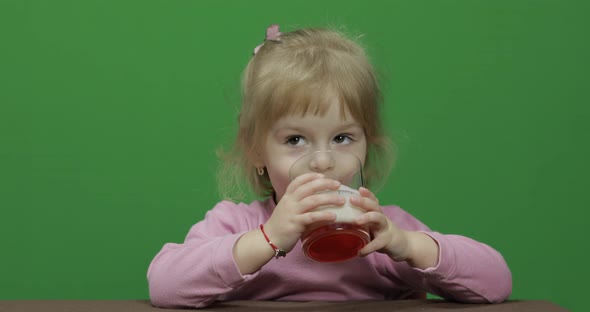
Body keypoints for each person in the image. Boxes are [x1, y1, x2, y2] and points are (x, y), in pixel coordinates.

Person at [147, 24, 512, 308]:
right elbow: (165, 285)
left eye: (342, 138)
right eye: (295, 140)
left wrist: (405, 243)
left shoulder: (382, 231)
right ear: (256, 150)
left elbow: (496, 282)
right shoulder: (237, 224)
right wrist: (267, 238)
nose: (322, 162)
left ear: (367, 144)